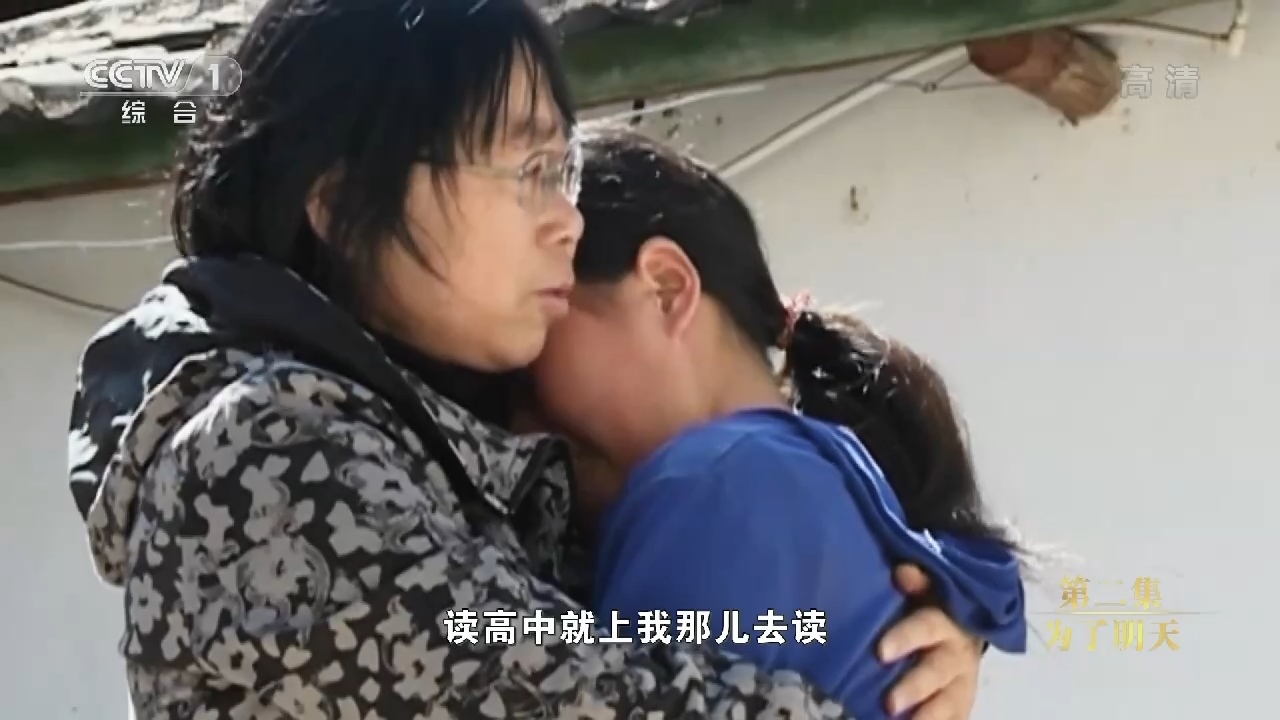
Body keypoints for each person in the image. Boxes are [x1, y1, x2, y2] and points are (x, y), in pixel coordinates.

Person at [66, 0, 984, 717]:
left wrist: (895, 642)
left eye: (565, 173)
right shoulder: (264, 456)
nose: (568, 221)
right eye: (529, 172)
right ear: (342, 207)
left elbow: (670, 639)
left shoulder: (458, 463)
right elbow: (564, 687)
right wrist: (858, 688)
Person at [529, 128, 1030, 718]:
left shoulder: (711, 487)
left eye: (538, 308)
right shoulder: (809, 479)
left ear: (665, 289)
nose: (507, 423)